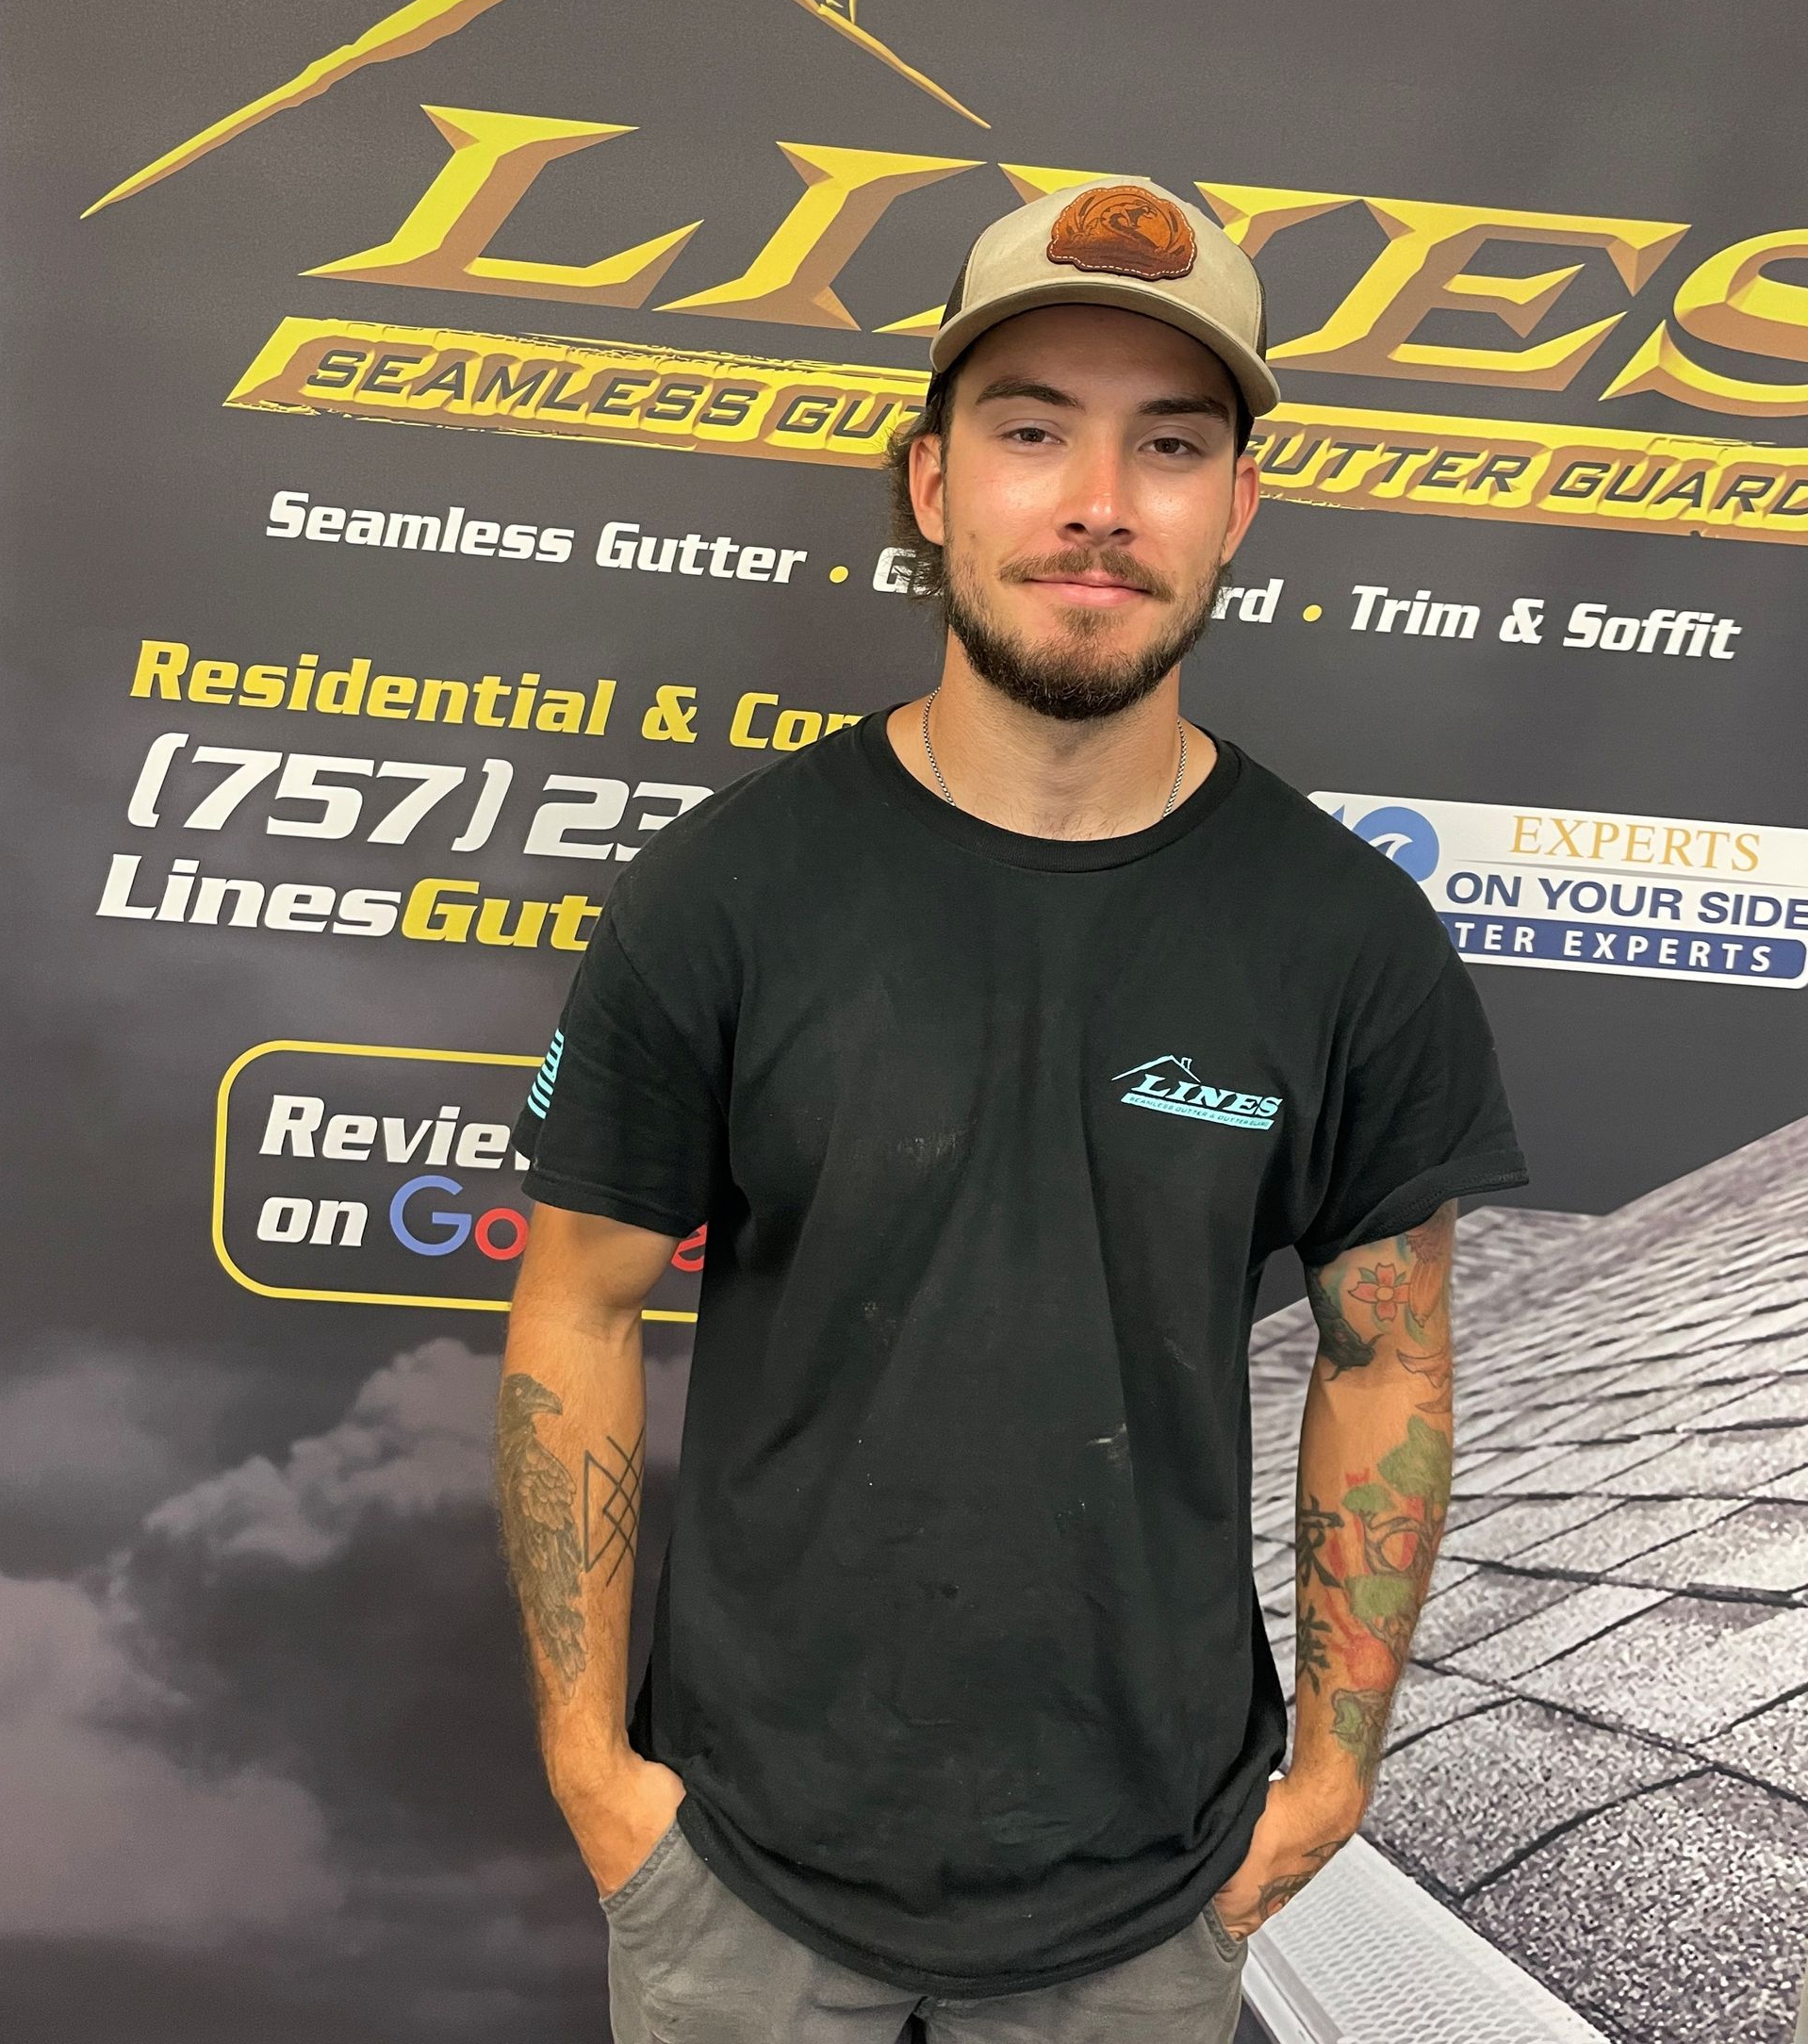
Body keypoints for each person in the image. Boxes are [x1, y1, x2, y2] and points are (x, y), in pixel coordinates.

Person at [497, 178, 1529, 2042]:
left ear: (1239, 506)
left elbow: (1391, 1357)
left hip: (1150, 1882)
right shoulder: (724, 894)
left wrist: (1337, 1765)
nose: (1099, 502)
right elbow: (574, 1299)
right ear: (930, 480)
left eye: (1172, 443)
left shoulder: (1343, 935)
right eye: (1032, 427)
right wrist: (595, 1766)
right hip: (735, 1868)